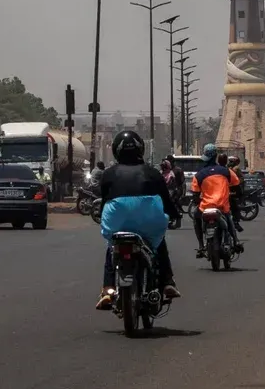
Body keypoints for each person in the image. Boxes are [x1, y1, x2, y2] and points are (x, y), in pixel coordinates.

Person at [95, 130, 179, 310]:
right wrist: (175, 214)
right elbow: (166, 200)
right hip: (149, 221)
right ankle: (167, 283)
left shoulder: (108, 173)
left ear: (116, 150)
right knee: (159, 244)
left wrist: (101, 216)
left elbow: (104, 202)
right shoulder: (152, 172)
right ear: (141, 149)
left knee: (112, 248)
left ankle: (108, 288)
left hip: (117, 221)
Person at [191, 144, 242, 257]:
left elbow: (195, 195)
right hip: (222, 206)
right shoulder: (226, 171)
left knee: (196, 217)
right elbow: (237, 185)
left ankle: (200, 245)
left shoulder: (199, 175)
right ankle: (236, 241)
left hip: (205, 208)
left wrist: (199, 201)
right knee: (229, 219)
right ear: (216, 157)